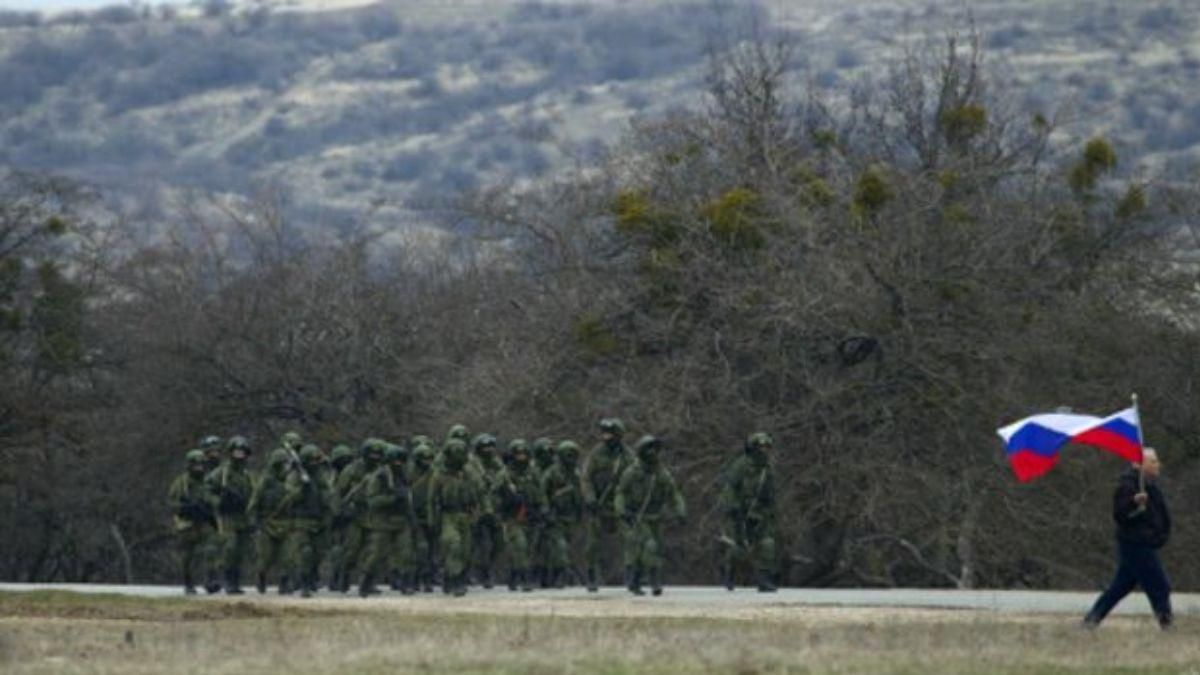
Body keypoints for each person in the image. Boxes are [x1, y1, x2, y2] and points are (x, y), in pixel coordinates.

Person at [1083, 447, 1173, 629]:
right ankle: (1167, 624)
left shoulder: (1150, 486)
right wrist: (1134, 503)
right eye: (1153, 461)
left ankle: (1091, 621)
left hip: (1145, 542)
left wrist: (1160, 534)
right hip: (1136, 543)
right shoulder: (1128, 486)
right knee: (1160, 585)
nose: (1158, 465)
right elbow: (1120, 515)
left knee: (1121, 586)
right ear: (1139, 464)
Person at [614, 435, 686, 596]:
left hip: (655, 518)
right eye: (648, 449)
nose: (652, 453)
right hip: (637, 517)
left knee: (654, 549)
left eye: (655, 449)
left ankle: (636, 580)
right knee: (649, 546)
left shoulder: (662, 474)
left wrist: (680, 511)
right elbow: (620, 493)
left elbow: (674, 494)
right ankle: (654, 581)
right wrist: (621, 511)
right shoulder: (632, 472)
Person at [718, 432, 778, 592]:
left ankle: (764, 580)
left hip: (759, 513)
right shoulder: (741, 465)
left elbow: (770, 492)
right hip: (741, 511)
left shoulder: (767, 469)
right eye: (761, 447)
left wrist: (769, 510)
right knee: (740, 547)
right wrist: (732, 507)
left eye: (767, 447)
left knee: (767, 544)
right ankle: (729, 572)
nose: (764, 450)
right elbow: (730, 487)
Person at [582, 418, 635, 592]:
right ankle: (591, 575)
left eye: (610, 434)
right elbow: (586, 478)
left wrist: (631, 504)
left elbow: (635, 480)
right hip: (599, 504)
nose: (606, 437)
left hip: (620, 504)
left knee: (630, 538)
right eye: (604, 434)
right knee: (592, 542)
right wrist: (590, 498)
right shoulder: (596, 454)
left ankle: (631, 575)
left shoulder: (628, 456)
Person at [360, 444, 416, 596]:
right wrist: (392, 499)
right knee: (377, 553)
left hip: (402, 520)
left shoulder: (404, 476)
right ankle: (366, 582)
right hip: (383, 520)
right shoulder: (380, 476)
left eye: (401, 461)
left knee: (406, 552)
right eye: (396, 461)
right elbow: (372, 501)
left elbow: (409, 497)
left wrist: (410, 514)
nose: (399, 464)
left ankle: (406, 583)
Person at [428, 438, 481, 596]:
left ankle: (451, 576)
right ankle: (455, 579)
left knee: (465, 549)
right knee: (453, 544)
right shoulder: (440, 474)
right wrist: (432, 520)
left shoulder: (469, 473)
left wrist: (482, 513)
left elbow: (480, 493)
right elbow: (432, 500)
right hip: (448, 515)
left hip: (466, 514)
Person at [285, 444, 337, 598]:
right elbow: (290, 497)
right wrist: (303, 488)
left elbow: (328, 494)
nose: (314, 463)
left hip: (319, 519)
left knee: (319, 553)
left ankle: (312, 577)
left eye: (316, 460)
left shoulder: (321, 475)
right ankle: (304, 584)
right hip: (301, 520)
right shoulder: (295, 476)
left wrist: (326, 501)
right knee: (305, 552)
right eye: (311, 461)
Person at [206, 435, 255, 595]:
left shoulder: (247, 475)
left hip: (243, 516)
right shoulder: (222, 473)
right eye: (236, 451)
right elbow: (207, 490)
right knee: (230, 547)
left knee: (240, 551)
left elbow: (254, 495)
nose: (239, 455)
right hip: (227, 516)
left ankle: (235, 581)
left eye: (242, 452)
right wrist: (219, 501)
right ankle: (227, 580)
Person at [168, 449, 218, 595]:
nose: (199, 468)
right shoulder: (181, 483)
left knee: (211, 548)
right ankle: (188, 582)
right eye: (195, 465)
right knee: (188, 555)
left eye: (201, 464)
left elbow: (215, 499)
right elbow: (172, 503)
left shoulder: (208, 482)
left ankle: (211, 579)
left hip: (204, 522)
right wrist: (186, 508)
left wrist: (210, 508)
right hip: (187, 523)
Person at [499, 440, 544, 592]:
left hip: (531, 515)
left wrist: (542, 509)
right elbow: (493, 495)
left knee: (529, 548)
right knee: (520, 545)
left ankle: (514, 573)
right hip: (513, 517)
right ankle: (525, 578)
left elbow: (541, 492)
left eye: (524, 454)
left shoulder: (533, 473)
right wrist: (507, 500)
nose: (521, 458)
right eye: (518, 455)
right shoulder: (505, 475)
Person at [541, 440, 586, 588]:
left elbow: (581, 494)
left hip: (571, 516)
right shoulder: (552, 473)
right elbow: (543, 493)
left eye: (573, 455)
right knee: (560, 546)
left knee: (568, 547)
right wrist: (546, 510)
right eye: (568, 455)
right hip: (556, 516)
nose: (571, 458)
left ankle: (556, 575)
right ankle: (562, 573)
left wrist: (581, 510)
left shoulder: (576, 474)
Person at [247, 447, 291, 594]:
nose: (285, 467)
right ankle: (261, 577)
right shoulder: (265, 481)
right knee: (265, 557)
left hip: (286, 523)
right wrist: (253, 521)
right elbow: (254, 502)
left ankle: (285, 582)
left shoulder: (291, 481)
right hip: (267, 523)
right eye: (282, 464)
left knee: (288, 556)